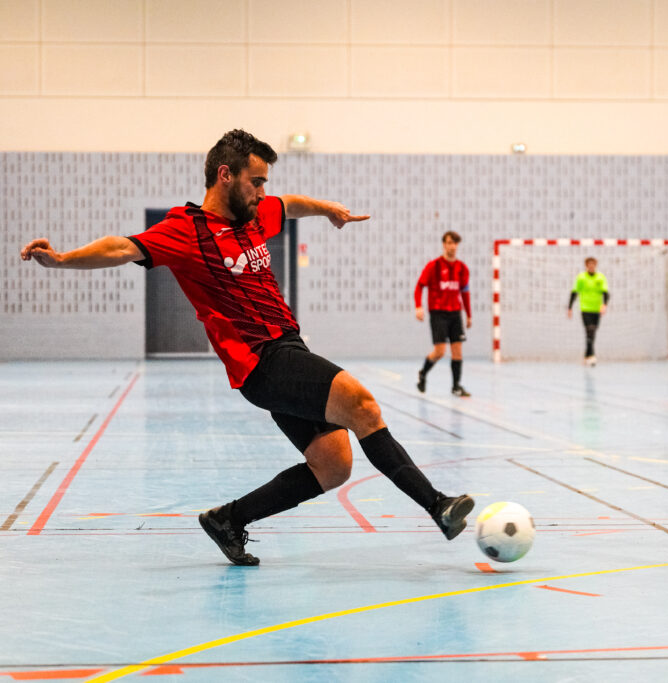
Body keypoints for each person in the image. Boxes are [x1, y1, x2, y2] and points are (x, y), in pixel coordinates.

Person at [20, 129, 475, 566]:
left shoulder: (254, 214)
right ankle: (438, 506)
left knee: (332, 465)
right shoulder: (186, 231)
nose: (261, 192)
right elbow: (122, 247)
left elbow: (289, 204)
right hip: (261, 362)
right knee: (362, 404)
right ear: (225, 176)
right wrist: (61, 259)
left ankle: (228, 520)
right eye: (255, 181)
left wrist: (327, 210)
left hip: (287, 347)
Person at [414, 231, 472, 397]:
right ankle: (423, 373)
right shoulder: (434, 266)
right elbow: (419, 286)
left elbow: (465, 293)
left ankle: (456, 386)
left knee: (457, 351)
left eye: (454, 243)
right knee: (440, 351)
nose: (451, 246)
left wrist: (468, 315)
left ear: (457, 245)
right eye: (448, 243)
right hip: (438, 313)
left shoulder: (462, 268)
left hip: (455, 313)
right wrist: (418, 306)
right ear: (444, 244)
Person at [567, 257, 609, 366]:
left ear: (595, 265)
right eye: (589, 264)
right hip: (585, 308)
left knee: (592, 332)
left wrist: (604, 305)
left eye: (593, 264)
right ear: (586, 265)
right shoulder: (581, 277)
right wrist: (570, 307)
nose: (591, 266)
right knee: (590, 330)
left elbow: (605, 293)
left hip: (596, 309)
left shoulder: (600, 277)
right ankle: (592, 356)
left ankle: (587, 355)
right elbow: (574, 292)